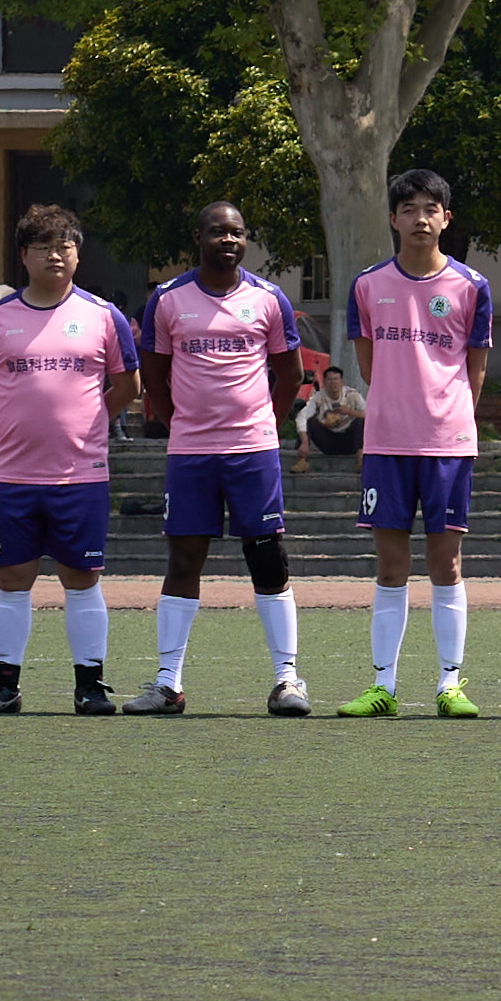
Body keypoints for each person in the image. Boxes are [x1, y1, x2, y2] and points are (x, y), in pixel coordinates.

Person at [130, 200, 314, 717]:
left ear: (245, 239)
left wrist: (263, 424)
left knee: (267, 559)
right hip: (191, 453)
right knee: (184, 559)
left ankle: (286, 680)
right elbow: (156, 380)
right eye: (217, 232)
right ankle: (168, 683)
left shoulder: (268, 299)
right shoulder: (168, 300)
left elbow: (290, 374)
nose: (227, 241)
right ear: (199, 237)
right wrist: (181, 425)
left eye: (236, 233)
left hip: (252, 452)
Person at [331, 170, 499, 719]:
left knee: (446, 564)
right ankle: (383, 686)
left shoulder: (471, 286)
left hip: (448, 444)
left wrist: (446, 417)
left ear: (446, 219)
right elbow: (368, 363)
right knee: (389, 565)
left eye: (431, 208)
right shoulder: (368, 285)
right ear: (393, 218)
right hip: (387, 443)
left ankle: (450, 685)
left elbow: (475, 371)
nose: (420, 218)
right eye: (409, 209)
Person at [0, 206, 140, 715]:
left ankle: (90, 685)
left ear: (78, 254)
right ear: (23, 256)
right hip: (13, 475)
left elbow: (127, 385)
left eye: (64, 246)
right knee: (12, 578)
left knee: (82, 579)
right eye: (42, 246)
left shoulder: (102, 316)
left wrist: (89, 420)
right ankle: (3, 685)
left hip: (80, 476)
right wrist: (18, 416)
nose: (54, 255)